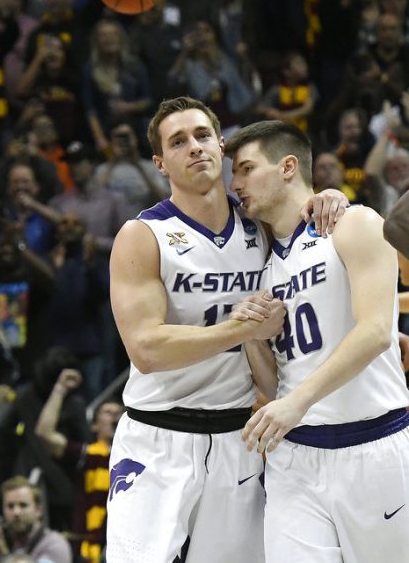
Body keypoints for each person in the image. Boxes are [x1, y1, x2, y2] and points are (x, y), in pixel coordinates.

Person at [106, 96, 346, 562]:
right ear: (160, 162)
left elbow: (311, 223)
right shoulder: (143, 236)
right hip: (158, 436)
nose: (194, 147)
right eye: (178, 142)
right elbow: (147, 349)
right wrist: (242, 328)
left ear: (220, 143)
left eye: (201, 135)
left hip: (237, 436)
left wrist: (329, 197)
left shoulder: (260, 221)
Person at [226, 120, 409, 563]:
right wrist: (251, 336)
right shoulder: (264, 271)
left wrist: (296, 402)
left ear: (288, 166)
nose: (235, 185)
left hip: (374, 447)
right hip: (296, 459)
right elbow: (275, 388)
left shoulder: (357, 223)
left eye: (246, 169)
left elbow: (375, 333)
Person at [35, 368, 123, 563]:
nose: (115, 416)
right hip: (87, 549)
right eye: (108, 412)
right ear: (94, 425)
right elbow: (44, 432)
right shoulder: (87, 454)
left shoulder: (139, 458)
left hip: (124, 545)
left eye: (119, 413)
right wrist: (60, 389)